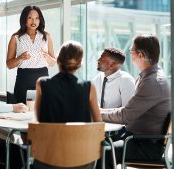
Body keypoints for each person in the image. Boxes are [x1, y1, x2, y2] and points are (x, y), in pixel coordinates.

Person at [98, 34, 171, 169]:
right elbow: (128, 110)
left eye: (131, 51)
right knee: (96, 143)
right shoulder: (147, 77)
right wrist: (101, 111)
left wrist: (97, 114)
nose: (130, 55)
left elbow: (125, 115)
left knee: (104, 152)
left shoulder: (152, 82)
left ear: (141, 55)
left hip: (146, 144)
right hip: (136, 136)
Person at [34, 41, 102, 123]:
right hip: (80, 136)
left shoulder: (42, 83)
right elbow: (98, 124)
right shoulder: (89, 87)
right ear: (80, 63)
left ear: (58, 60)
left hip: (49, 135)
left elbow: (36, 120)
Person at [6, 5, 56, 104]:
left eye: (37, 18)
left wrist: (47, 56)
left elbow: (53, 63)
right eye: (30, 18)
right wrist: (20, 58)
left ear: (40, 19)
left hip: (43, 80)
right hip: (23, 80)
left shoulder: (46, 36)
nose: (34, 21)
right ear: (24, 19)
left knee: (43, 113)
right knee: (22, 112)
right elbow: (9, 64)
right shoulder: (16, 38)